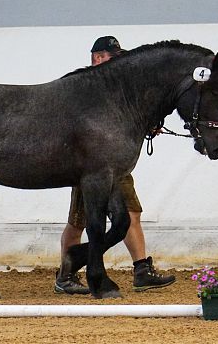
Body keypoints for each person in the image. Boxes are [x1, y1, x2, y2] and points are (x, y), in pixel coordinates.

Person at [55, 36, 176, 295]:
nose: (118, 61)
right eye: (113, 56)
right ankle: (66, 274)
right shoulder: (84, 87)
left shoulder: (117, 89)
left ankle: (142, 269)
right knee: (78, 222)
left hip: (117, 165)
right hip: (90, 167)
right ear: (98, 57)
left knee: (131, 213)